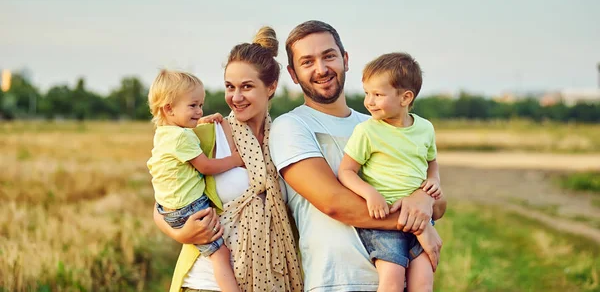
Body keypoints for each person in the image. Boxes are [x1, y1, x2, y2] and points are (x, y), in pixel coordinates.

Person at [268, 20, 446, 292]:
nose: (322, 68)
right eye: (307, 62)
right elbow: (334, 203)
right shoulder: (291, 126)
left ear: (345, 59)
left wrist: (423, 198)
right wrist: (420, 225)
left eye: (329, 56)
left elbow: (439, 204)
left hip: (403, 279)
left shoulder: (380, 122)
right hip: (338, 281)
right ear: (293, 74)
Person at [153, 27, 303, 292]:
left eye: (247, 87)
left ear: (271, 87)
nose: (235, 97)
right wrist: (179, 234)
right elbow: (163, 199)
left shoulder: (286, 138)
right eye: (229, 87)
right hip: (207, 283)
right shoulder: (204, 135)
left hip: (274, 280)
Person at [338, 52, 443, 292]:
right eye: (367, 93)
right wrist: (370, 194)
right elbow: (346, 171)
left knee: (423, 283)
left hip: (420, 219)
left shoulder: (425, 128)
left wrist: (434, 181)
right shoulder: (367, 132)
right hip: (384, 222)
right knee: (392, 282)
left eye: (378, 95)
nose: (369, 101)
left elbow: (432, 162)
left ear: (405, 98)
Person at [147, 70, 243, 292]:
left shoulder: (164, 133)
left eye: (200, 105)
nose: (199, 110)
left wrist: (199, 121)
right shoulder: (182, 137)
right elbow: (206, 167)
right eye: (193, 106)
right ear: (169, 108)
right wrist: (235, 160)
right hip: (191, 209)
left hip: (169, 208)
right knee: (221, 255)